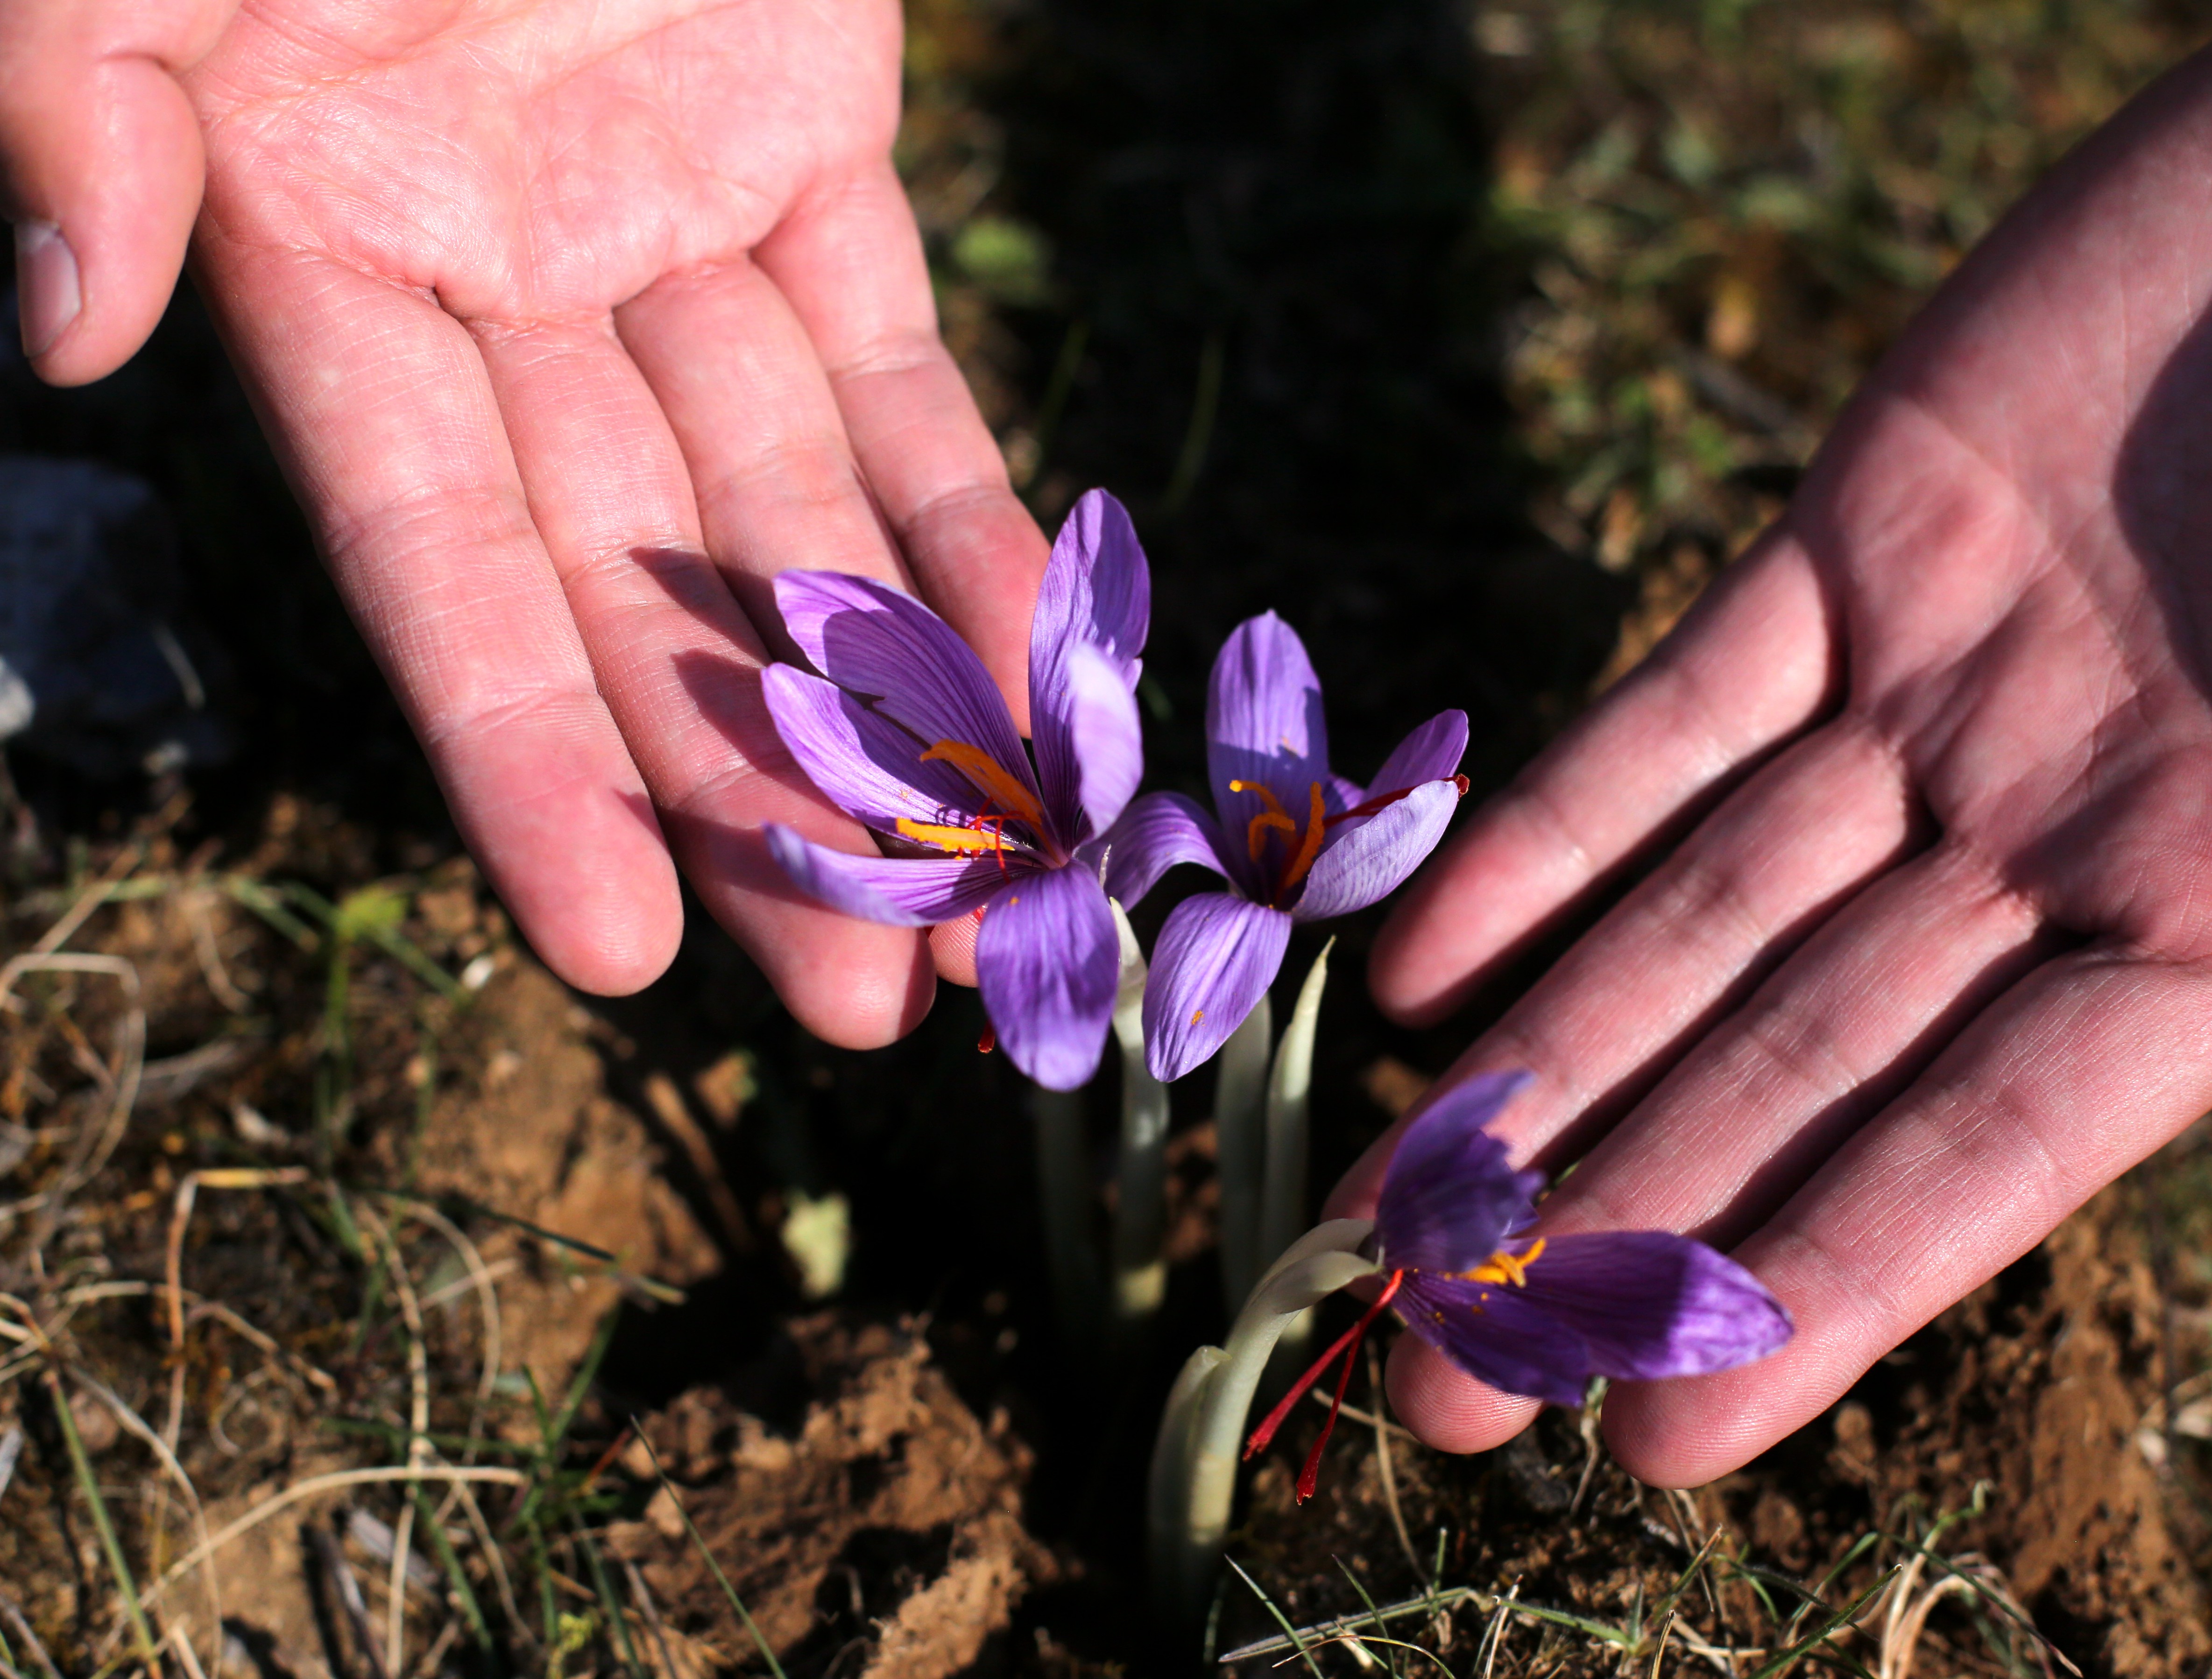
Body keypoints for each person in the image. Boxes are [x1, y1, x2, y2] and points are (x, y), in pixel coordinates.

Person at [6, 0, 2209, 1490]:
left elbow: (1180, 822)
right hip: (1093, 857)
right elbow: (1077, 808)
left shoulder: (1165, 849)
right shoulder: (1104, 843)